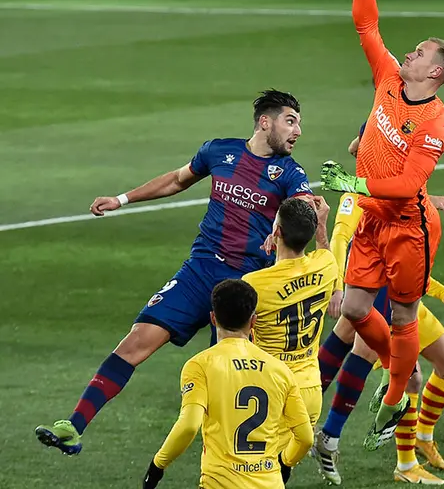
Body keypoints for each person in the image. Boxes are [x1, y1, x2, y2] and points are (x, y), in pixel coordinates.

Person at [35, 90, 313, 456]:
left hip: (243, 286)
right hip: (199, 271)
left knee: (229, 384)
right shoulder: (219, 151)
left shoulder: (290, 174)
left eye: (299, 124)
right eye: (290, 121)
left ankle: (253, 465)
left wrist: (291, 230)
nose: (298, 131)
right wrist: (122, 200)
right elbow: (178, 179)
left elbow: (307, 212)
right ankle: (74, 426)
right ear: (266, 122)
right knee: (136, 341)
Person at [318, 0, 444, 450]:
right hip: (372, 222)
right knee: (355, 309)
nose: (409, 52)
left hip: (409, 227)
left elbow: (406, 186)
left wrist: (352, 184)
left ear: (436, 72)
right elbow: (367, 27)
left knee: (402, 316)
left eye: (420, 52)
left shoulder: (435, 121)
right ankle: (397, 377)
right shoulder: (387, 78)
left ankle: (397, 389)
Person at [313, 125, 444, 485]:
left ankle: (419, 443)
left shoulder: (402, 181)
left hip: (403, 295)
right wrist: (339, 286)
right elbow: (340, 234)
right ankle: (328, 434)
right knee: (387, 363)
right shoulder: (359, 191)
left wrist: (441, 291)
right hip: (378, 294)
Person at [139, 279, 313, 489]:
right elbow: (305, 438)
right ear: (253, 321)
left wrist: (157, 466)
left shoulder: (200, 366)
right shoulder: (280, 370)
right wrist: (285, 463)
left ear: (213, 318)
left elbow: (189, 426)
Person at [241, 195, 339, 484]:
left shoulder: (253, 284)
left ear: (277, 233)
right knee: (280, 473)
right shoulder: (326, 266)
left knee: (255, 477)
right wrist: (321, 225)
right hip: (309, 390)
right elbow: (324, 250)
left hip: (270, 391)